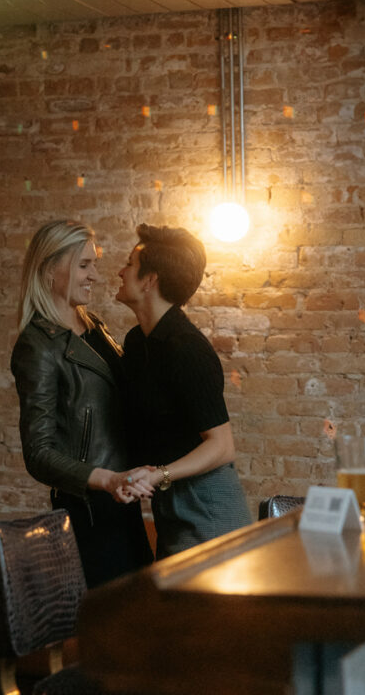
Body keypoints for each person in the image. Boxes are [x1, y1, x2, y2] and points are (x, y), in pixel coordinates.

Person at [11, 219, 154, 587]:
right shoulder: (38, 345)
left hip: (123, 502)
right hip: (89, 511)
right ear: (48, 270)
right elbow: (38, 453)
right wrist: (107, 481)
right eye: (84, 265)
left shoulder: (94, 327)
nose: (95, 276)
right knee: (109, 631)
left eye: (95, 264)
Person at [116, 223, 252, 559]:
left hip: (207, 503)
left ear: (151, 280)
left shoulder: (186, 348)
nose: (120, 272)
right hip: (170, 500)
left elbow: (222, 447)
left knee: (204, 611)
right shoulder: (137, 342)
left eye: (129, 265)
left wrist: (159, 474)